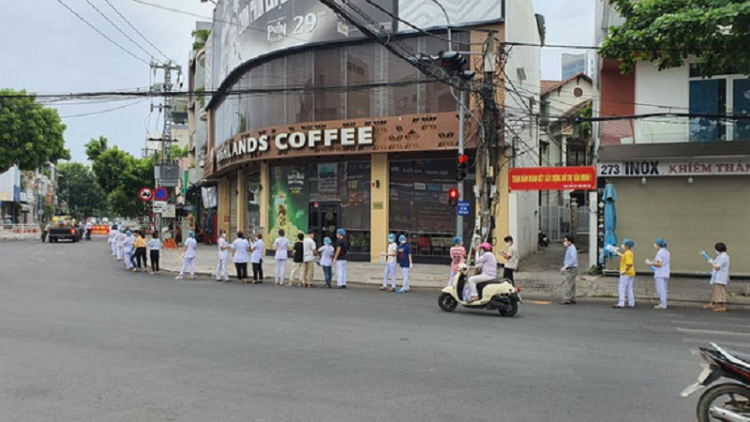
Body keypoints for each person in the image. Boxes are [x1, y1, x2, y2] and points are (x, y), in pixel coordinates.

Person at [704, 242, 730, 312]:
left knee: (720, 292)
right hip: (718, 276)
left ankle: (723, 306)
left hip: (721, 277)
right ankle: (712, 304)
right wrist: (708, 259)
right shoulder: (721, 256)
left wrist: (711, 263)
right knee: (715, 291)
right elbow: (716, 262)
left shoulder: (723, 257)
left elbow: (717, 267)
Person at [646, 238, 670, 309]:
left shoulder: (660, 253)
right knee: (664, 289)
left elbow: (659, 264)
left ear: (658, 245)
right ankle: (664, 303)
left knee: (660, 289)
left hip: (660, 273)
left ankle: (663, 304)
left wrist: (650, 263)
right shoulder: (667, 252)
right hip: (665, 272)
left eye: (656, 244)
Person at [613, 239, 636, 309]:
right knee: (629, 288)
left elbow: (629, 264)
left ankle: (621, 303)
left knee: (622, 287)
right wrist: (616, 252)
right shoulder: (629, 252)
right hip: (631, 273)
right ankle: (631, 303)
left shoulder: (627, 253)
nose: (622, 245)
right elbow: (623, 256)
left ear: (627, 246)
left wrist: (624, 271)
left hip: (626, 273)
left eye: (624, 244)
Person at [559, 235, 578, 305]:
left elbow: (573, 259)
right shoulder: (570, 248)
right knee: (572, 284)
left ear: (569, 241)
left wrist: (566, 266)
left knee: (568, 283)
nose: (564, 242)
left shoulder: (572, 249)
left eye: (565, 241)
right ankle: (572, 297)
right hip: (571, 267)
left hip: (571, 268)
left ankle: (567, 298)